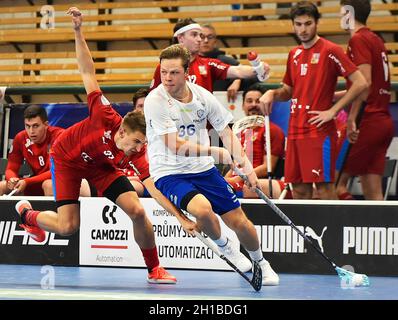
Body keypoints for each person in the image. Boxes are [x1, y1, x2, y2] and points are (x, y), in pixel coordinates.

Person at [14, 7, 177, 284]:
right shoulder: (104, 114)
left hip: (101, 166)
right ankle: (28, 216)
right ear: (122, 130)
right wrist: (78, 31)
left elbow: (153, 187)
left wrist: (180, 218)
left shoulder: (137, 152)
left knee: (137, 210)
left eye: (143, 144)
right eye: (136, 142)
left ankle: (154, 269)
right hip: (66, 159)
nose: (139, 149)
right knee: (68, 227)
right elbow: (87, 71)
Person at [144, 43, 279, 286]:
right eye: (163, 72)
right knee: (202, 209)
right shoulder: (155, 100)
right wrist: (214, 151)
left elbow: (226, 134)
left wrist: (247, 169)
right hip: (168, 171)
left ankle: (262, 263)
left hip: (203, 169)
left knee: (239, 221)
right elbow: (174, 144)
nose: (167, 78)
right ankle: (225, 246)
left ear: (187, 72)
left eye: (174, 72)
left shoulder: (203, 97)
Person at [259, 1, 368, 200]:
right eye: (298, 24)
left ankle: (333, 231)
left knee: (324, 189)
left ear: (317, 23)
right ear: (293, 25)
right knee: (298, 189)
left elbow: (361, 83)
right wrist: (272, 94)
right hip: (294, 132)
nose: (303, 29)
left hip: (318, 131)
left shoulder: (330, 50)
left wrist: (333, 111)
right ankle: (305, 232)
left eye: (308, 23)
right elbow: (288, 91)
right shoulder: (294, 54)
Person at [335, 0, 394, 200]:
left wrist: (351, 118)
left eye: (342, 12)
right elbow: (371, 84)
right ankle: (384, 231)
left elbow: (365, 83)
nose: (339, 17)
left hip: (366, 120)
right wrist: (334, 96)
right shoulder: (376, 39)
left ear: (349, 14)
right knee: (373, 192)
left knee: (334, 184)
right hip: (383, 120)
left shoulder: (358, 40)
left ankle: (336, 230)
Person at [150, 18, 269, 96]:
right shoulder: (163, 68)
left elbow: (237, 70)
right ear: (180, 38)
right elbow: (153, 97)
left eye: (200, 35)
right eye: (194, 35)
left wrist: (258, 68)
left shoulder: (208, 64)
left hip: (203, 130)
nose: (199, 39)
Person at [224, 84, 288, 199]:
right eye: (249, 101)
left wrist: (237, 179)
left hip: (258, 182)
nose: (253, 104)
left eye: (258, 101)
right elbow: (235, 166)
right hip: (239, 181)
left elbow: (268, 167)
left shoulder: (272, 130)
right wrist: (224, 179)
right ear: (243, 106)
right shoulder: (239, 132)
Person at [0, 105, 79, 196]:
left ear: (46, 125)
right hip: (36, 182)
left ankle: (52, 211)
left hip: (67, 180)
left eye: (35, 126)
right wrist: (12, 179)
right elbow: (11, 168)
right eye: (27, 126)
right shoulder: (20, 138)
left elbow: (56, 171)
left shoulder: (60, 137)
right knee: (2, 186)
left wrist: (27, 181)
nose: (31, 131)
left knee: (48, 185)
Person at [199, 24, 257, 101]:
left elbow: (254, 77)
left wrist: (237, 80)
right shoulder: (189, 61)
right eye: (202, 37)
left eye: (210, 37)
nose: (206, 41)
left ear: (215, 41)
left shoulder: (225, 60)